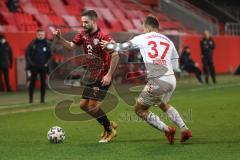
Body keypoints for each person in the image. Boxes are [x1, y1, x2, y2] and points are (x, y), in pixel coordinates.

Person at [101, 15, 192, 144]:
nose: (143, 31)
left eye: (144, 28)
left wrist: (109, 46)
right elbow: (176, 66)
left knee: (139, 110)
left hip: (157, 80)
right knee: (162, 104)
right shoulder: (168, 40)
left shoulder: (142, 38)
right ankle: (184, 129)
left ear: (148, 27)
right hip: (171, 79)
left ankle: (167, 130)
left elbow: (121, 47)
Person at [52, 10, 119, 143]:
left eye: (86, 22)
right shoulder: (83, 34)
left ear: (94, 21)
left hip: (102, 76)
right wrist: (59, 38)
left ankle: (110, 131)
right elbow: (71, 46)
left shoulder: (103, 36)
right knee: (83, 105)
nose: (83, 24)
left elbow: (115, 54)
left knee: (93, 105)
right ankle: (108, 124)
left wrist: (109, 74)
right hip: (91, 75)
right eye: (82, 22)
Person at [25, 28, 52, 103]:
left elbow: (50, 56)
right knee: (32, 83)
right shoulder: (32, 43)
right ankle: (31, 99)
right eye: (39, 34)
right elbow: (27, 54)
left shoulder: (47, 44)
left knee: (43, 83)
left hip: (43, 66)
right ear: (36, 35)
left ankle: (42, 99)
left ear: (44, 35)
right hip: (34, 66)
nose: (40, 36)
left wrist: (47, 63)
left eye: (42, 34)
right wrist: (31, 63)